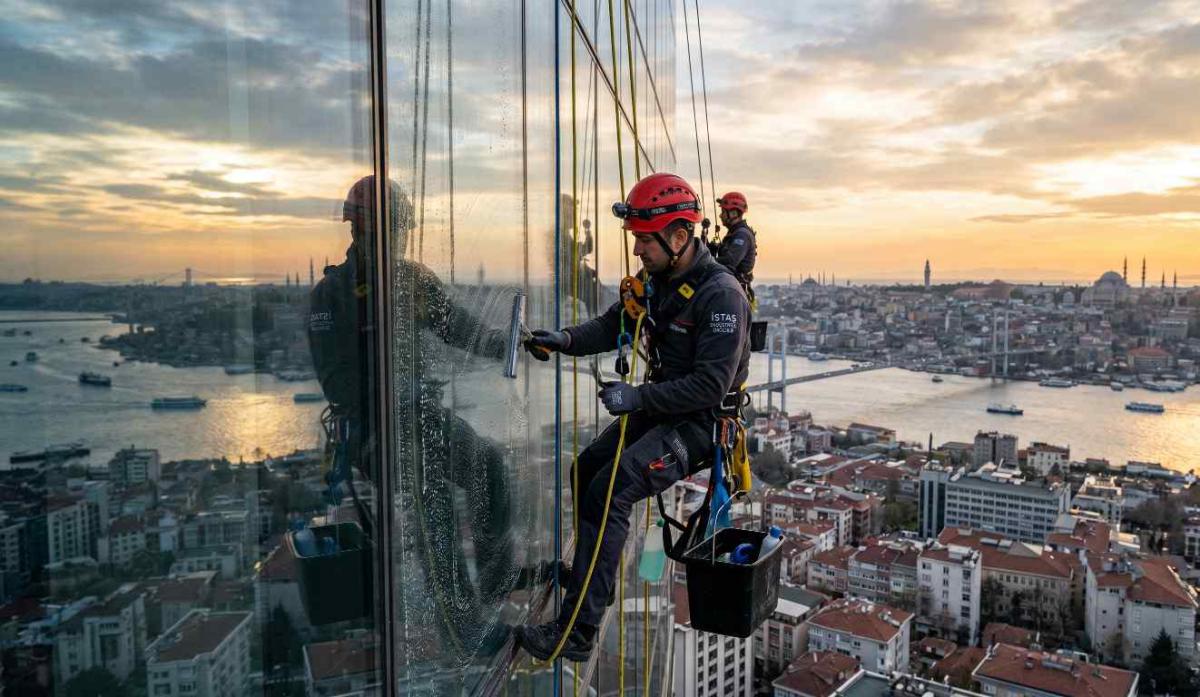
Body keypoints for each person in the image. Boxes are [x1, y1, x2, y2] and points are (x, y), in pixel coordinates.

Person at [515, 172, 751, 661]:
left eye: (645, 240)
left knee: (615, 486)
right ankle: (586, 574)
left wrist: (637, 400)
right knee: (586, 470)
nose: (638, 251)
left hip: (699, 424)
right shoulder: (658, 281)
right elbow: (613, 324)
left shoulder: (720, 294)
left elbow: (711, 386)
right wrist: (564, 340)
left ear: (679, 236)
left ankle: (577, 633)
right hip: (663, 408)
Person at [307, 175, 519, 654]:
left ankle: (494, 580)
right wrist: (393, 392)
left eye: (401, 232)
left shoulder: (411, 281)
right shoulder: (332, 295)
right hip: (373, 429)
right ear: (362, 233)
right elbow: (337, 381)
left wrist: (511, 343)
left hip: (419, 415)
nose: (399, 240)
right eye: (392, 231)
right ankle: (459, 626)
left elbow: (458, 327)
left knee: (488, 464)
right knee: (431, 498)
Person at [713, 191, 757, 301]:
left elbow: (729, 261)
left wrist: (706, 260)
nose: (720, 215)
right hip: (732, 287)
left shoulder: (742, 235)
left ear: (733, 213)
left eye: (723, 211)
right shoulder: (735, 233)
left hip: (734, 292)